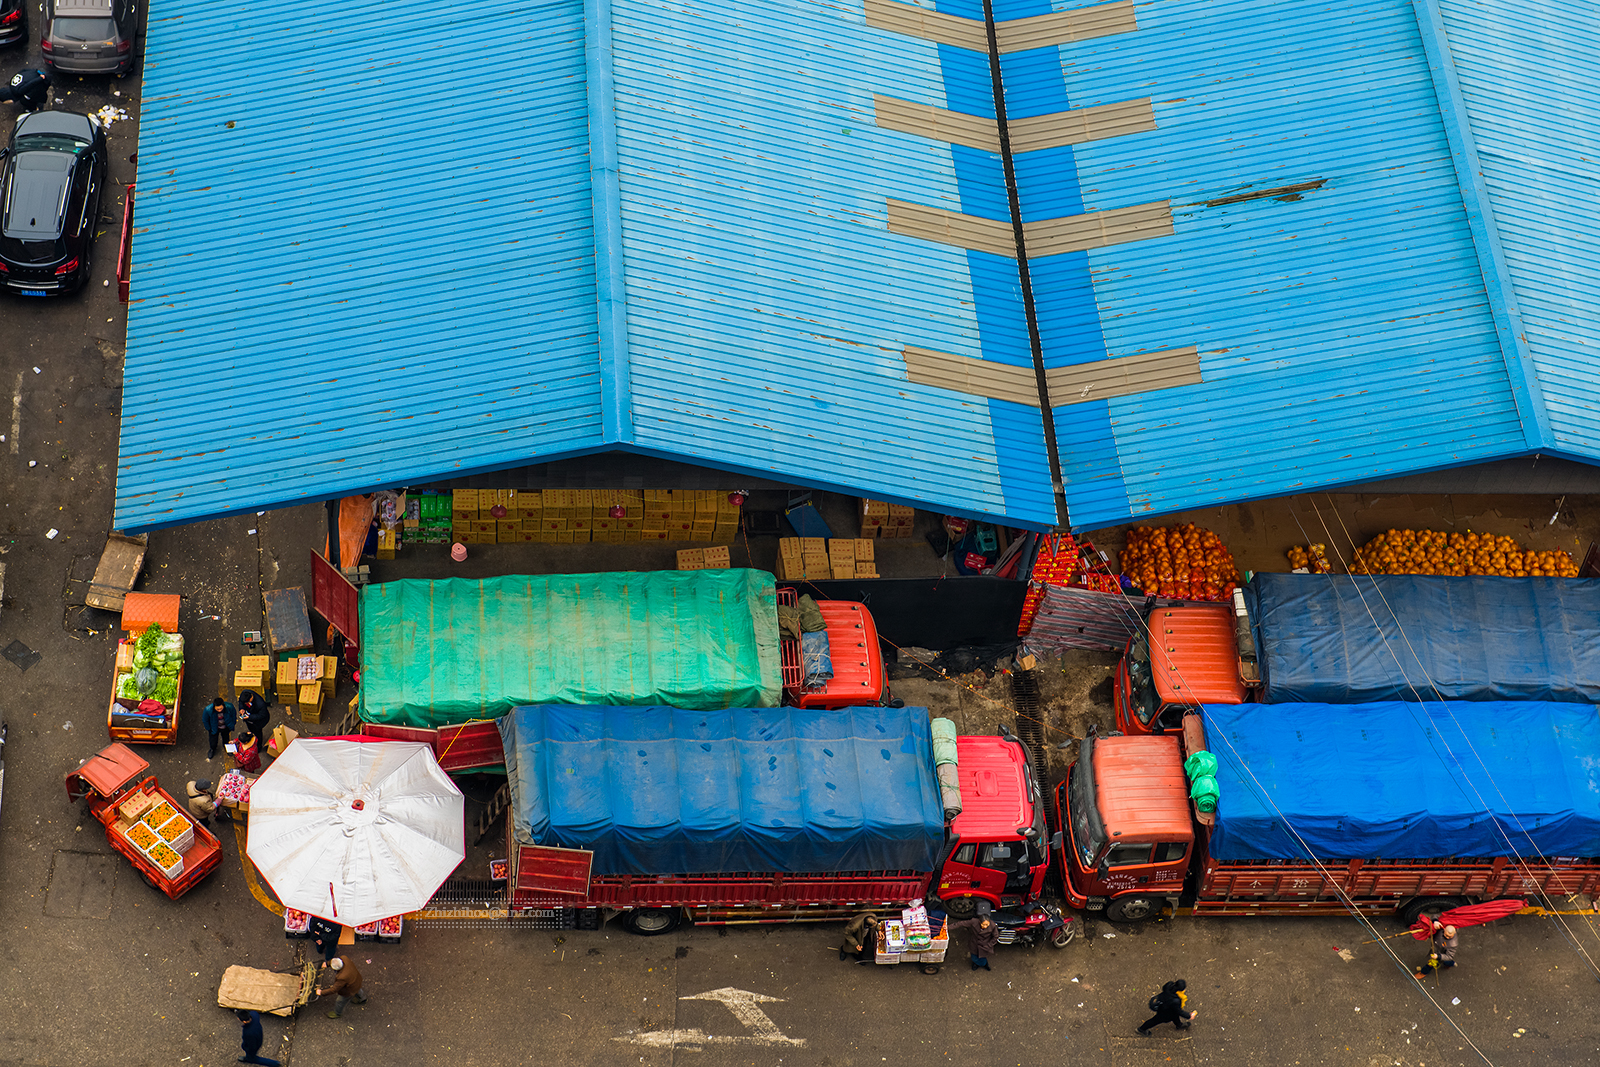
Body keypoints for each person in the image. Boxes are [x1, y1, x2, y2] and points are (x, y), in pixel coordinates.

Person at [203, 697, 237, 761]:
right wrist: (209, 729)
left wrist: (232, 724)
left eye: (221, 708)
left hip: (226, 727)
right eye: (217, 709)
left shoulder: (229, 707)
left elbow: (233, 715)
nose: (219, 710)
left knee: (226, 739)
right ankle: (212, 749)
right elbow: (205, 720)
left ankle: (227, 748)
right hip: (214, 728)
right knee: (213, 741)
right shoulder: (208, 710)